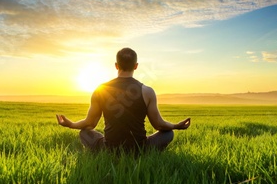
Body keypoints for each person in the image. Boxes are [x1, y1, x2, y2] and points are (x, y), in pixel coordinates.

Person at [56, 47, 191, 153]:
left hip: (109, 149)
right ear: (136, 66)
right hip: (139, 149)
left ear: (116, 65)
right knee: (168, 134)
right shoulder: (147, 91)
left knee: (84, 132)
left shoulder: (100, 90)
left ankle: (101, 152)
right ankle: (148, 153)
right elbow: (159, 125)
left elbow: (90, 123)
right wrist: (176, 126)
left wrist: (71, 124)